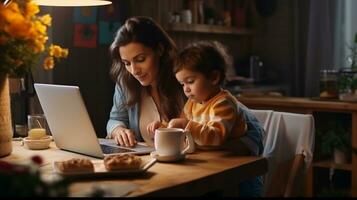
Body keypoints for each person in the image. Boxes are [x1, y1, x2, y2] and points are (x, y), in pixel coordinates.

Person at [147, 41, 265, 197]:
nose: (186, 89)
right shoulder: (192, 103)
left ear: (214, 77)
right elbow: (183, 130)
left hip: (235, 173)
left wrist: (186, 124)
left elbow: (215, 137)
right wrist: (163, 127)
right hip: (210, 164)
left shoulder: (224, 103)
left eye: (190, 81)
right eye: (182, 84)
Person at [106, 16, 185, 147]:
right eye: (126, 63)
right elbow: (115, 119)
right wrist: (118, 130)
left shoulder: (184, 79)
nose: (134, 70)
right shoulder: (125, 81)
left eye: (140, 59)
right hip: (146, 162)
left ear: (159, 50)